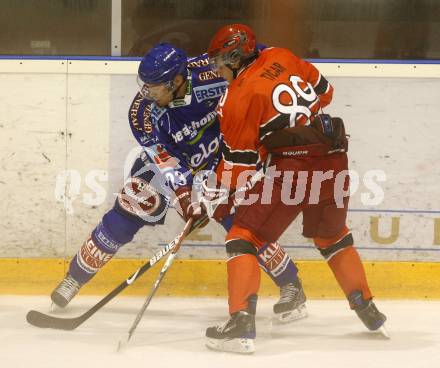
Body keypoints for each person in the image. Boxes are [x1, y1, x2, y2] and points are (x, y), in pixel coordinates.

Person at [50, 43, 307, 323]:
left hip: (222, 156)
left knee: (242, 224)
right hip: (174, 159)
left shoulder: (211, 74)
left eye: (154, 86)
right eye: (144, 85)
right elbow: (164, 160)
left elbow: (254, 54)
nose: (146, 93)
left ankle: (291, 286)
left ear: (176, 81)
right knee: (130, 207)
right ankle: (74, 278)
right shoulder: (142, 114)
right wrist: (185, 199)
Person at [203, 24, 387, 354]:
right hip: (333, 157)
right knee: (332, 236)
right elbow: (325, 92)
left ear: (234, 56)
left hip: (294, 167)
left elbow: (238, 169)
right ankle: (368, 309)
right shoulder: (281, 55)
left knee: (242, 237)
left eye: (219, 62)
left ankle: (241, 323)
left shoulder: (238, 97)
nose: (217, 70)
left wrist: (213, 192)